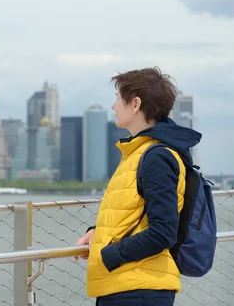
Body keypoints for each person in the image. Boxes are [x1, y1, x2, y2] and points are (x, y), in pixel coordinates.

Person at [75, 67, 201, 306]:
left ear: (135, 104)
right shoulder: (138, 152)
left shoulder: (156, 156)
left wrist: (109, 255)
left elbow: (163, 232)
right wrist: (98, 234)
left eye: (117, 99)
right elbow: (133, 212)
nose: (113, 107)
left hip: (139, 290)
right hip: (125, 285)